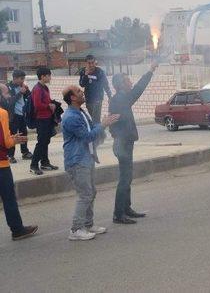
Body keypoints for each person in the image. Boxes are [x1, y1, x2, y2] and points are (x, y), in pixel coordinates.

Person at [61, 85, 119, 241]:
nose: (82, 92)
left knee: (91, 192)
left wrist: (103, 126)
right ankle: (76, 229)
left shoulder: (80, 112)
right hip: (77, 161)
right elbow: (87, 136)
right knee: (85, 194)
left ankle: (88, 224)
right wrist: (103, 125)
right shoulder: (71, 117)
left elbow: (93, 129)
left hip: (87, 158)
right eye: (79, 91)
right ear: (72, 97)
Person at [109, 61, 158, 224]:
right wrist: (150, 70)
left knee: (127, 177)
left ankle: (126, 208)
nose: (130, 82)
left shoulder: (121, 98)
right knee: (124, 178)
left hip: (125, 142)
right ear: (121, 85)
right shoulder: (120, 98)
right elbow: (139, 89)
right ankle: (118, 214)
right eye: (127, 80)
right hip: (122, 144)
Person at [0, 84, 38, 240]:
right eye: (6, 93)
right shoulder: (2, 113)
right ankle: (17, 229)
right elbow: (5, 142)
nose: (8, 96)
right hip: (1, 165)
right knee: (9, 198)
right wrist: (14, 140)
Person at [30, 67, 58, 175]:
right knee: (41, 142)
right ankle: (33, 165)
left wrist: (53, 104)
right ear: (42, 76)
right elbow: (37, 105)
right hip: (41, 119)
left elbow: (46, 101)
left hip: (47, 118)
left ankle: (45, 162)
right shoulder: (37, 89)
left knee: (46, 141)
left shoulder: (45, 88)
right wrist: (48, 106)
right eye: (48, 75)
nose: (50, 77)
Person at [6, 70, 33, 163]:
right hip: (13, 116)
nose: (23, 81)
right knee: (13, 134)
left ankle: (25, 152)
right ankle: (10, 155)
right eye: (21, 79)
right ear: (14, 78)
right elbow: (9, 102)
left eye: (23, 79)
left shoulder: (22, 86)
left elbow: (30, 97)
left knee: (23, 133)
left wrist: (27, 91)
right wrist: (20, 93)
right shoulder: (8, 87)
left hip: (22, 114)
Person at [79, 55, 112, 123]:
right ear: (86, 63)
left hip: (98, 98)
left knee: (96, 119)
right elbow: (82, 84)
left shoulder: (100, 72)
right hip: (88, 99)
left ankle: (100, 132)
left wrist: (109, 96)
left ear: (95, 62)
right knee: (94, 119)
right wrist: (86, 75)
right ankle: (99, 131)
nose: (91, 65)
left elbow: (105, 85)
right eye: (89, 63)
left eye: (92, 62)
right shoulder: (83, 71)